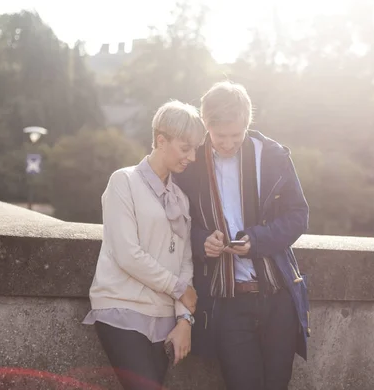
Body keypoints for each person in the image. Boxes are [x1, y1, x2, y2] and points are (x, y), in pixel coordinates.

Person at [175, 81, 310, 390]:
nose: (227, 143)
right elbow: (176, 223)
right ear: (205, 124)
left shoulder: (273, 156)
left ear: (248, 124)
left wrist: (257, 241)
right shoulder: (190, 162)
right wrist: (201, 242)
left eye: (236, 135)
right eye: (220, 136)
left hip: (278, 296)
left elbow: (298, 215)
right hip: (226, 302)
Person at [83, 100, 206, 390]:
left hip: (164, 319)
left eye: (196, 149)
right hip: (122, 309)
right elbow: (127, 253)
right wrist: (179, 289)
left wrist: (184, 319)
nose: (192, 157)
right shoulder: (123, 181)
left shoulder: (181, 198)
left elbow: (185, 261)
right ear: (160, 140)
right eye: (185, 147)